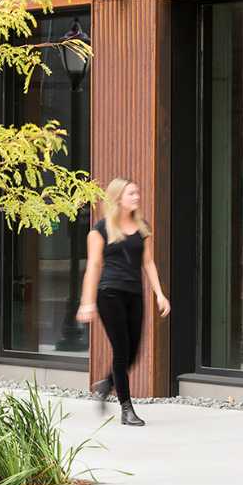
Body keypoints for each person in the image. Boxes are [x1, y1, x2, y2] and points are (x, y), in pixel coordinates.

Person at [76, 177, 170, 426]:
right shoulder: (100, 229)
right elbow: (94, 266)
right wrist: (87, 302)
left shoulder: (142, 227)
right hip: (109, 294)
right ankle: (127, 409)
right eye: (131, 193)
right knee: (121, 350)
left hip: (134, 294)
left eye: (137, 193)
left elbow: (148, 262)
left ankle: (107, 383)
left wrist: (159, 294)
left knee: (133, 352)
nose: (137, 197)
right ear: (118, 198)